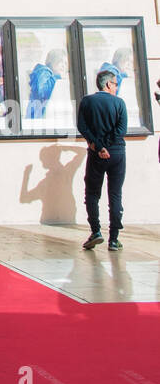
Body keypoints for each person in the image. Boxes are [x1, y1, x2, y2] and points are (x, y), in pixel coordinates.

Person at [78, 67, 128, 251]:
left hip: (96, 154)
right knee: (115, 194)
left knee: (92, 193)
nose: (116, 87)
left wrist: (98, 147)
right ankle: (114, 239)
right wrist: (108, 146)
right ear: (108, 84)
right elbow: (121, 130)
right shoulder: (119, 103)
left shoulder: (87, 101)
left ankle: (96, 231)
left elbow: (82, 126)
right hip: (116, 154)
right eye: (115, 83)